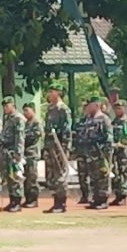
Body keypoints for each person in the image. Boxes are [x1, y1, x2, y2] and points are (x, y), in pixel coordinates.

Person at [43, 83, 72, 214]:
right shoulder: (50, 109)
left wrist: (64, 149)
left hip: (60, 146)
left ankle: (61, 203)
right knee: (51, 175)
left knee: (60, 174)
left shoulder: (63, 109)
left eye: (52, 91)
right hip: (50, 146)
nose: (49, 94)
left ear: (58, 93)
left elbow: (66, 131)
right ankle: (55, 201)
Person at [84, 97, 114, 210]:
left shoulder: (104, 119)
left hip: (101, 153)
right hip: (90, 153)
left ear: (96, 105)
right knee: (93, 176)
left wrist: (105, 154)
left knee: (103, 177)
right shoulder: (89, 119)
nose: (87, 108)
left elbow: (109, 138)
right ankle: (96, 198)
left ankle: (103, 199)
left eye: (90, 105)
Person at [0, 96, 26, 212]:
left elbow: (19, 137)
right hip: (6, 151)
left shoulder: (18, 118)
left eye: (7, 106)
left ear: (13, 105)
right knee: (9, 177)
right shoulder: (8, 118)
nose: (5, 108)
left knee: (15, 177)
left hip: (13, 151)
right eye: (4, 106)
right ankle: (12, 200)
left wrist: (18, 153)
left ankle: (17, 202)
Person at [109, 99, 127, 207]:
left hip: (124, 151)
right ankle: (117, 195)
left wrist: (122, 144)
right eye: (116, 108)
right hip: (115, 151)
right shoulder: (114, 122)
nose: (117, 110)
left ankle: (123, 195)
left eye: (120, 108)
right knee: (116, 173)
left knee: (124, 172)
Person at [22, 102, 43, 208]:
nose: (25, 113)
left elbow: (33, 137)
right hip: (25, 154)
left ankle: (33, 199)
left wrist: (23, 138)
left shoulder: (36, 123)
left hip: (32, 153)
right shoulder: (26, 123)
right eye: (24, 110)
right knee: (26, 178)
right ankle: (27, 198)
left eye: (27, 110)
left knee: (32, 177)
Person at [73, 102, 92, 206]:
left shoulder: (95, 120)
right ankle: (85, 195)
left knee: (94, 175)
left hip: (91, 152)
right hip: (81, 152)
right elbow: (75, 136)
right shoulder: (80, 122)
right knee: (82, 175)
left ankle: (96, 196)